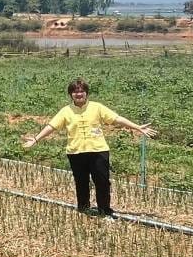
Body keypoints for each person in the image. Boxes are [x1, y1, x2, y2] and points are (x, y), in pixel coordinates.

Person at [22, 78, 155, 216]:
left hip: (98, 151)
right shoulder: (65, 111)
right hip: (76, 152)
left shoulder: (97, 107)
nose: (78, 94)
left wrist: (137, 127)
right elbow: (51, 126)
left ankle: (104, 211)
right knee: (81, 182)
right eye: (75, 92)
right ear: (70, 94)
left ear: (86, 93)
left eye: (81, 91)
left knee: (102, 182)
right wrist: (36, 139)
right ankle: (84, 209)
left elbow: (117, 118)